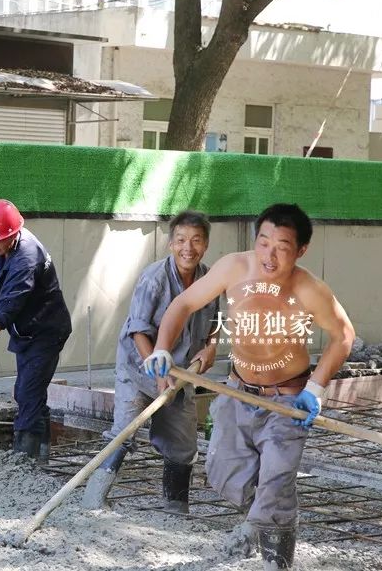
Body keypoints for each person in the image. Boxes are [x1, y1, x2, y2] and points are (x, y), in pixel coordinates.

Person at [144, 203, 354, 570]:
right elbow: (182, 305)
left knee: (277, 477)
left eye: (282, 246)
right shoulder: (234, 267)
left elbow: (343, 335)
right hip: (238, 392)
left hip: (288, 399)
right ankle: (270, 513)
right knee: (225, 474)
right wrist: (162, 347)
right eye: (264, 242)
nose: (270, 255)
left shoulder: (309, 288)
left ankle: (269, 546)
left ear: (301, 250)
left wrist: (316, 389)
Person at [82, 210, 219, 513]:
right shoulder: (154, 279)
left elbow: (216, 325)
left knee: (183, 444)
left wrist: (211, 347)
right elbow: (138, 331)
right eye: (181, 240)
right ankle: (93, 498)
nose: (188, 248)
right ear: (171, 243)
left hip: (180, 373)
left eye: (196, 241)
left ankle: (175, 508)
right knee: (124, 432)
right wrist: (157, 373)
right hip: (138, 367)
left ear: (206, 245)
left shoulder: (210, 280)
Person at [0, 199, 72, 463]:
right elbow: (1, 285)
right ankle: (41, 457)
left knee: (27, 393)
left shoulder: (26, 259)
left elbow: (7, 311)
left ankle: (24, 462)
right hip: (28, 331)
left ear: (13, 233)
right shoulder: (7, 246)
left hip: (45, 331)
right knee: (30, 391)